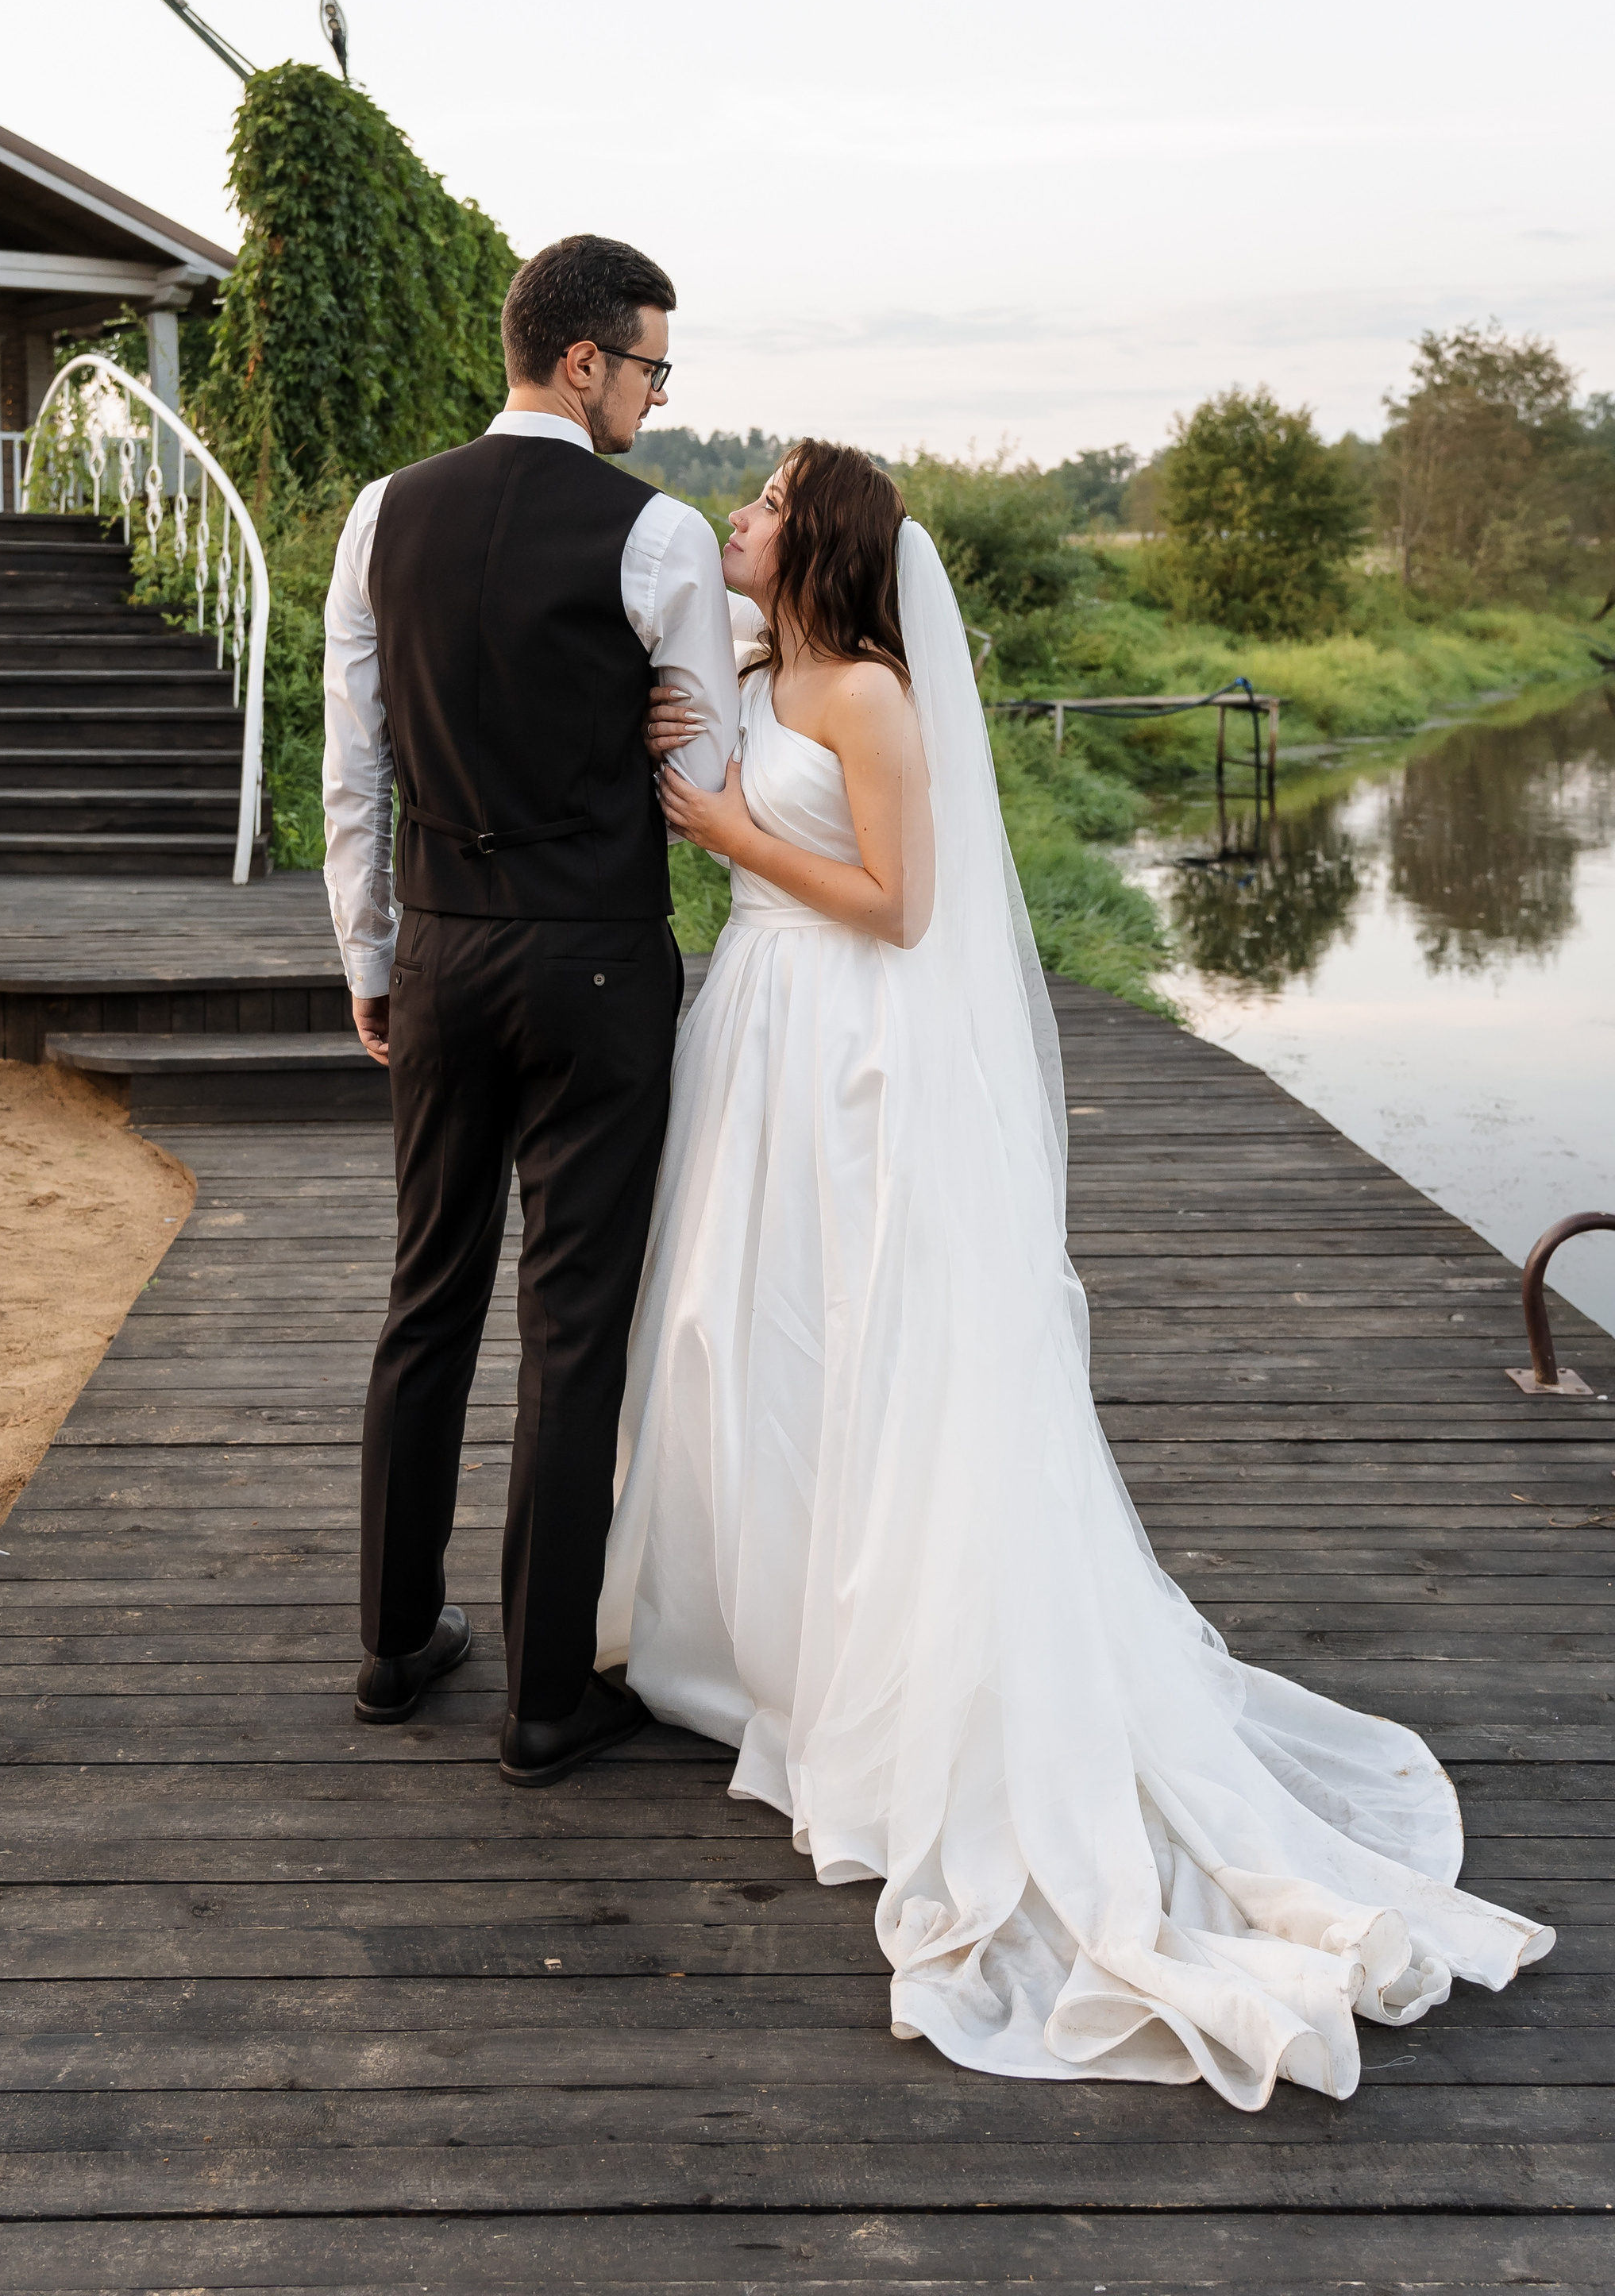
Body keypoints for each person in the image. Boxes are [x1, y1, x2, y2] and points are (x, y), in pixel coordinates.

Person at [600, 436, 1553, 2109]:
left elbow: (900, 907)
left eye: (764, 503)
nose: (736, 516)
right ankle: (749, 1633)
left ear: (817, 539)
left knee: (858, 1340)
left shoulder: (872, 696)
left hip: (849, 1045)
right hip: (752, 1032)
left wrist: (728, 829)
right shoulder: (753, 664)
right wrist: (689, 747)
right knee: (739, 1326)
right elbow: (696, 714)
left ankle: (886, 1669)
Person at [322, 233, 740, 1787]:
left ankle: (392, 1644)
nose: (653, 397)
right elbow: (707, 774)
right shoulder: (660, 536)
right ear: (583, 362)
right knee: (572, 1328)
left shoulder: (382, 514)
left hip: (439, 951)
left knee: (425, 1292)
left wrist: (370, 959)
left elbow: (355, 762)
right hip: (596, 967)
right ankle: (544, 1699)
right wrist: (652, 733)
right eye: (650, 368)